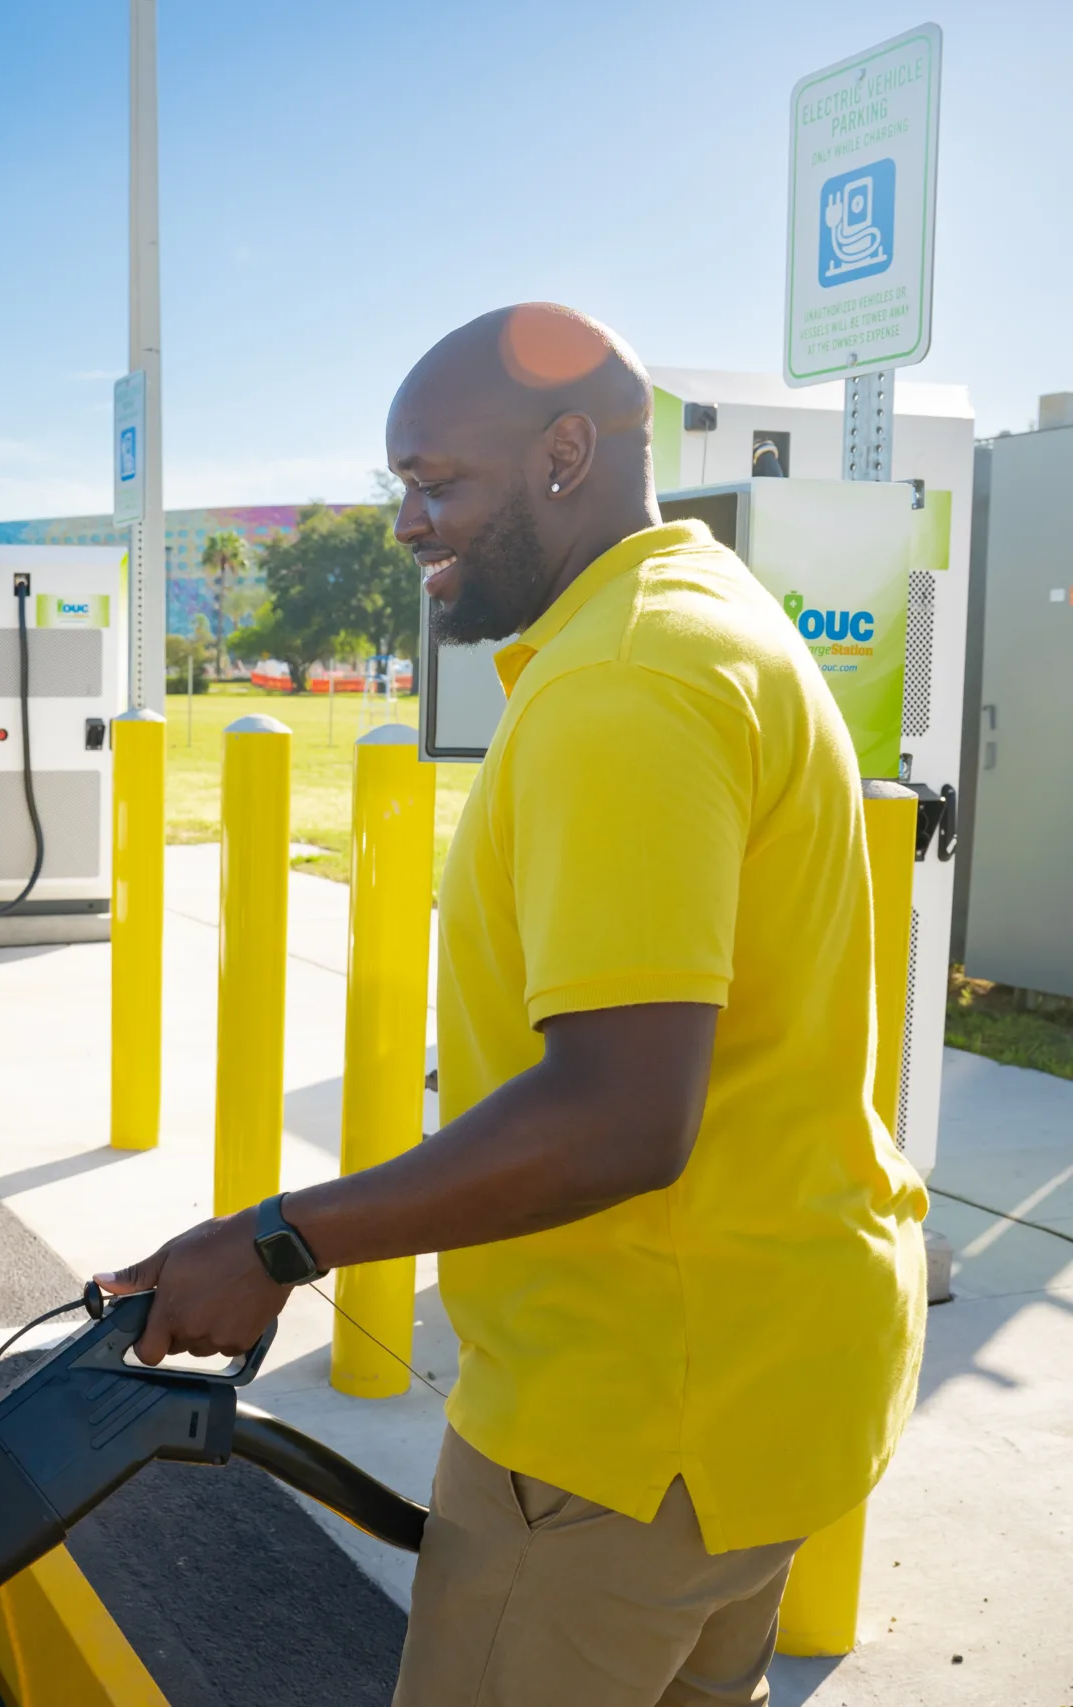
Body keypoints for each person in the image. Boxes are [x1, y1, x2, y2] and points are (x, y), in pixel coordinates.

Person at [95, 304, 925, 1707]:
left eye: (437, 482)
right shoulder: (705, 617)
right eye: (400, 488)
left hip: (624, 1425)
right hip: (766, 1390)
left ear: (563, 452)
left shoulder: (625, 678)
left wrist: (278, 1238)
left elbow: (617, 1114)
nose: (409, 522)